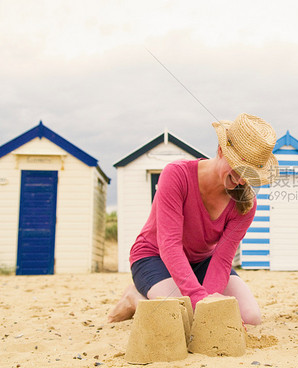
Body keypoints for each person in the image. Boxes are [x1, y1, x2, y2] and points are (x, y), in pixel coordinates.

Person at [108, 113, 278, 325]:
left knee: (250, 318)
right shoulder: (177, 175)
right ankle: (135, 298)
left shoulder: (245, 205)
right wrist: (199, 300)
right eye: (239, 167)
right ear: (220, 150)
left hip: (202, 262)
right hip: (155, 256)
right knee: (182, 317)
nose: (243, 179)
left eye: (250, 173)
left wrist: (207, 300)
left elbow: (222, 258)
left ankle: (176, 293)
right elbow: (169, 244)